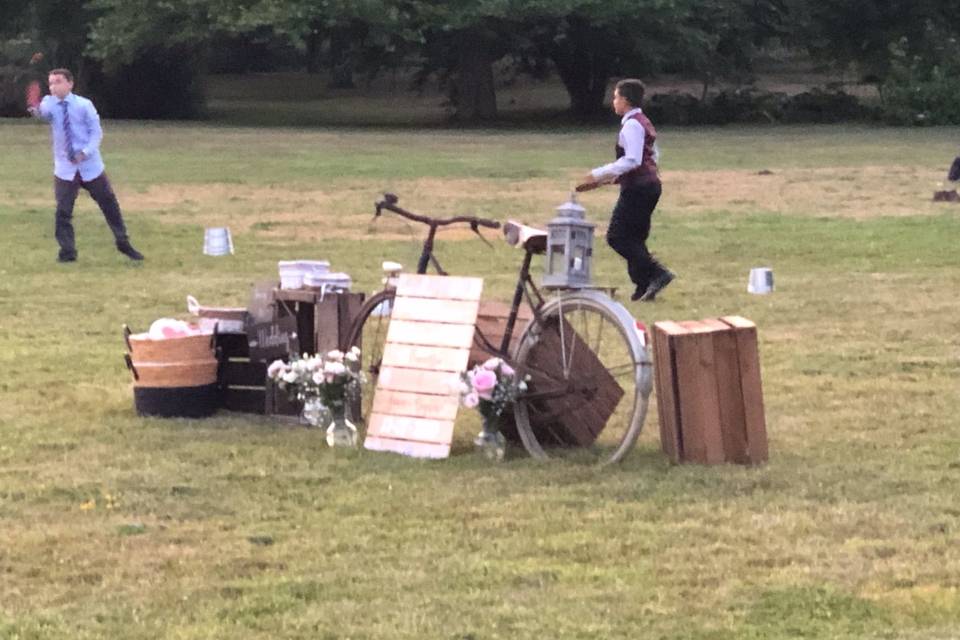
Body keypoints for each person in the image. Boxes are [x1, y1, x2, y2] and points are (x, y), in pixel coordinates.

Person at [28, 68, 143, 263]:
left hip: (90, 166)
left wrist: (85, 153)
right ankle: (67, 252)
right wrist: (34, 108)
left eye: (58, 82)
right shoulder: (50, 103)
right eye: (51, 83)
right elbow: (42, 113)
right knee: (63, 211)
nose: (54, 86)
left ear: (69, 84)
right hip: (65, 168)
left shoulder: (84, 105)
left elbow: (96, 133)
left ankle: (123, 242)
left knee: (109, 205)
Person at [583, 78, 672, 302]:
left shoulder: (632, 125)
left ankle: (657, 273)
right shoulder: (644, 122)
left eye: (615, 97)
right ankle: (643, 286)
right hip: (649, 185)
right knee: (635, 237)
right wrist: (615, 178)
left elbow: (632, 159)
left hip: (639, 188)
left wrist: (599, 173)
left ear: (624, 99)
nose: (613, 101)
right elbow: (652, 156)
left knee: (617, 237)